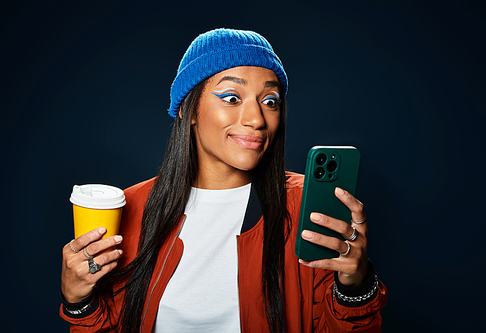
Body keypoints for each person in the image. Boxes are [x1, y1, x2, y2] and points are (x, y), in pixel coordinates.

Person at [60, 28, 387, 332]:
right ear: (189, 111)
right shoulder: (132, 207)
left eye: (269, 101)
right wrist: (79, 303)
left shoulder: (306, 206)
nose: (257, 119)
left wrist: (354, 286)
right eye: (231, 98)